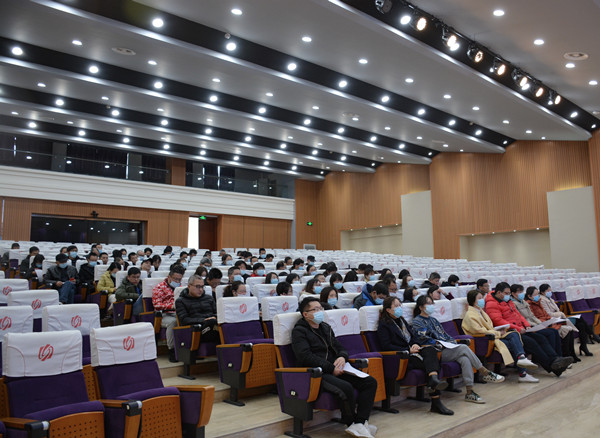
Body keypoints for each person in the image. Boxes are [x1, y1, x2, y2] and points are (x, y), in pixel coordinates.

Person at [292, 297, 378, 438]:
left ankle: (360, 423)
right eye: (315, 309)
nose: (320, 311)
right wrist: (331, 368)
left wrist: (342, 357)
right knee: (346, 387)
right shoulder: (299, 331)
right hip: (316, 372)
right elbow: (305, 357)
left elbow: (340, 347)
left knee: (370, 382)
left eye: (321, 308)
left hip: (335, 368)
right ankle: (351, 423)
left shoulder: (325, 327)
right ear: (305, 314)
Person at [412, 295, 504, 404]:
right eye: (428, 303)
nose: (431, 306)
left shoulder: (434, 320)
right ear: (421, 307)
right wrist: (440, 343)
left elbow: (445, 335)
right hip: (435, 352)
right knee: (464, 348)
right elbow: (422, 339)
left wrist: (452, 342)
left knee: (464, 359)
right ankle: (484, 371)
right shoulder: (417, 321)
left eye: (432, 303)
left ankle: (470, 392)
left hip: (446, 348)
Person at [377, 296, 453, 415]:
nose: (399, 308)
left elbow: (413, 337)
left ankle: (433, 381)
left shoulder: (402, 321)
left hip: (413, 351)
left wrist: (415, 344)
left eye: (400, 305)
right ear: (388, 310)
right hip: (402, 357)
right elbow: (386, 346)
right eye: (396, 306)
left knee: (431, 350)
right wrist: (408, 350)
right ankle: (436, 400)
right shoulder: (384, 325)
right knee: (431, 365)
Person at [484, 282, 573, 377]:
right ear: (499, 292)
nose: (508, 295)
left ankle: (556, 359)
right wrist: (518, 328)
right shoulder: (491, 304)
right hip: (509, 332)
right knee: (532, 343)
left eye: (509, 293)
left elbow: (518, 315)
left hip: (520, 329)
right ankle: (553, 367)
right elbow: (498, 321)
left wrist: (526, 325)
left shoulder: (507, 301)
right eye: (506, 293)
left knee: (541, 338)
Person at [461, 290, 539, 383]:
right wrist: (497, 333)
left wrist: (498, 331)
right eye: (479, 298)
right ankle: (523, 371)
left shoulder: (480, 311)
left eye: (482, 298)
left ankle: (521, 359)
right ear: (473, 300)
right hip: (484, 340)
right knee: (514, 344)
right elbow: (479, 331)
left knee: (513, 334)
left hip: (493, 336)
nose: (482, 300)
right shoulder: (470, 315)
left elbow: (488, 327)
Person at [539, 283, 598, 356]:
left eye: (550, 290)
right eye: (548, 291)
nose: (550, 292)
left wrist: (560, 314)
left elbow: (557, 311)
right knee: (580, 320)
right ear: (542, 292)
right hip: (554, 320)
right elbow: (548, 314)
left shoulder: (550, 299)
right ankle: (591, 335)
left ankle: (584, 346)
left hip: (560, 318)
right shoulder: (542, 300)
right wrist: (561, 314)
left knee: (581, 324)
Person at [525, 286, 579, 363]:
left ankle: (571, 354)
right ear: (529, 296)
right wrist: (547, 321)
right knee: (562, 330)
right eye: (535, 295)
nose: (537, 296)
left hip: (548, 322)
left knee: (570, 328)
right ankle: (563, 355)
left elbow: (546, 314)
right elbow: (534, 318)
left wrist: (550, 320)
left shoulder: (538, 302)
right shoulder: (529, 305)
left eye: (538, 294)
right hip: (541, 325)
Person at [152, 265, 185, 362]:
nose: (177, 281)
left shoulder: (181, 287)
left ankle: (188, 349)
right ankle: (172, 350)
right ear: (169, 277)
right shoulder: (159, 287)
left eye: (179, 279)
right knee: (173, 322)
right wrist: (172, 306)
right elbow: (157, 305)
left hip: (178, 313)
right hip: (164, 314)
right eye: (175, 279)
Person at [175, 274, 219, 343]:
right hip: (196, 330)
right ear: (189, 286)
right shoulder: (181, 301)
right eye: (198, 287)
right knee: (213, 324)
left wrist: (214, 317)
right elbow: (184, 320)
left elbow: (217, 313)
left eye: (202, 287)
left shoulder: (209, 298)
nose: (201, 290)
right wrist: (204, 320)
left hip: (212, 325)